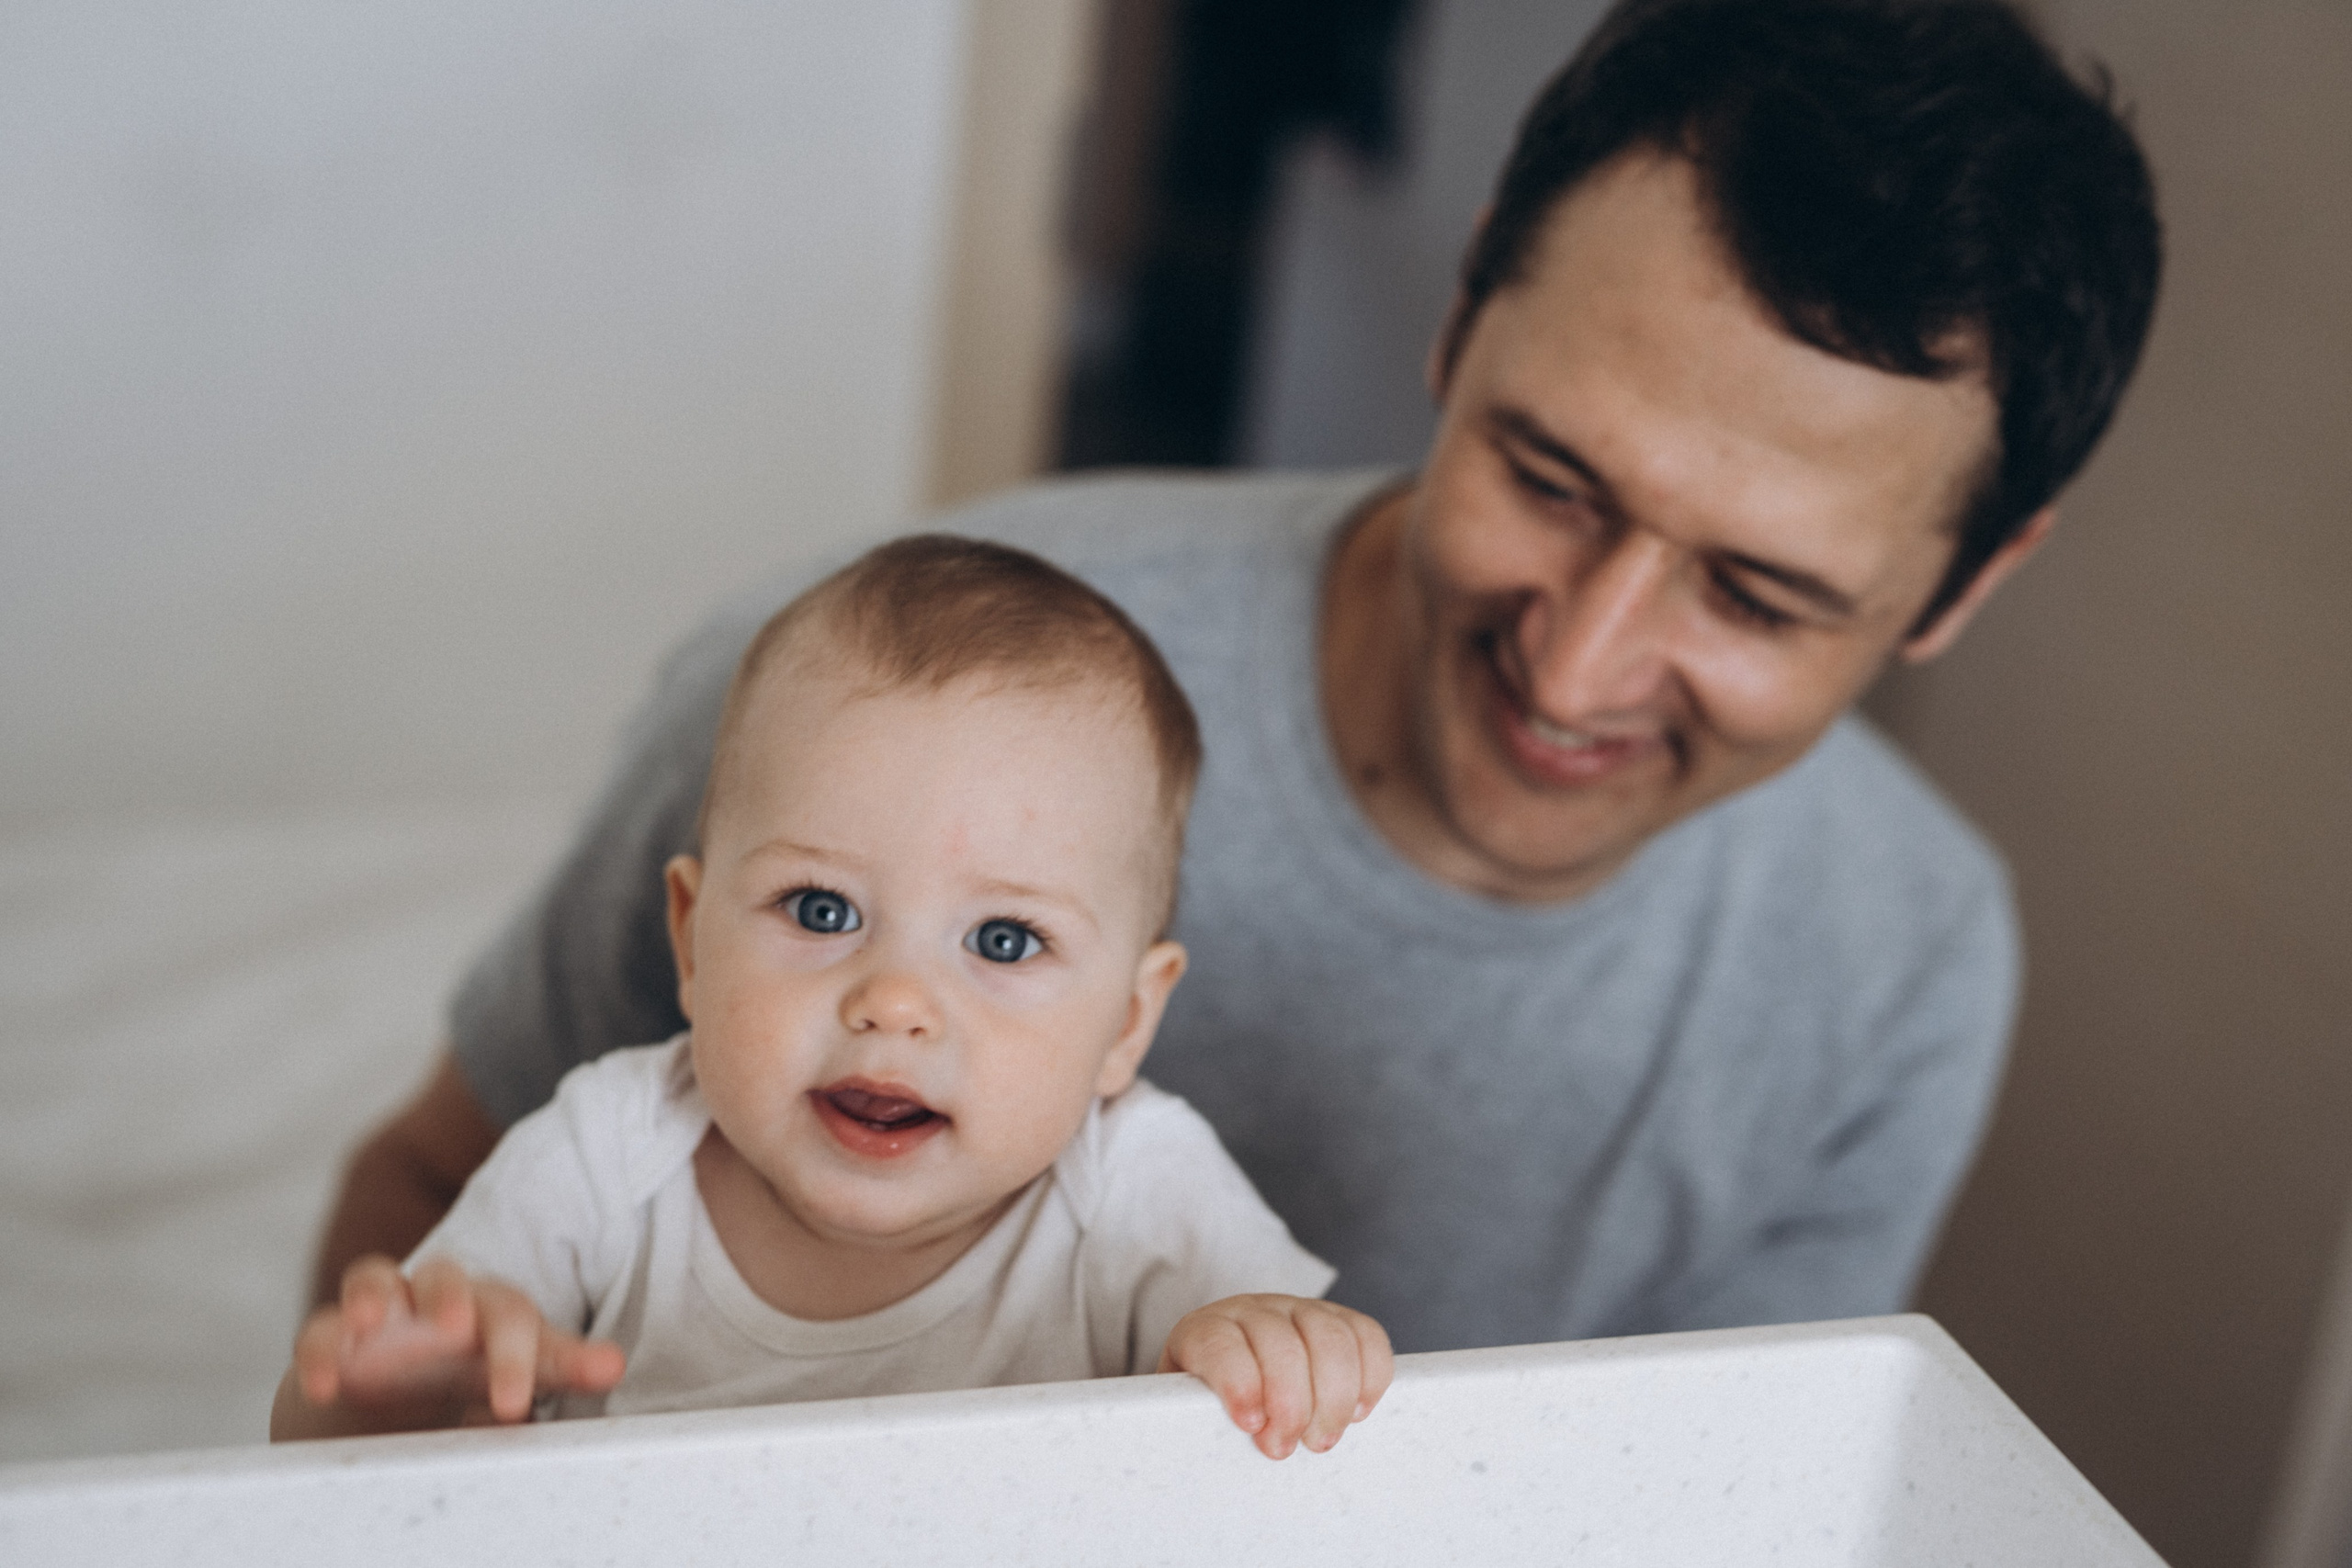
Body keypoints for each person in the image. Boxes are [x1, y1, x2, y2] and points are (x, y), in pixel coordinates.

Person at [311, 0, 2163, 1353]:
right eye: (1544, 477)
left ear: (1959, 584)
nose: (1578, 660)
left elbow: (1706, 1504)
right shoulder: (847, 708)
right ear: (1452, 323)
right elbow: (419, 1207)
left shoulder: (1900, 958)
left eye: (1754, 594)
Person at [274, 537, 1391, 1456]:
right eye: (820, 911)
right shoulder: (604, 1161)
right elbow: (323, 1465)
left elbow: (1308, 1429)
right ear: (692, 940)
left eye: (1004, 938)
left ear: (1128, 1023)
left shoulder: (1139, 1192)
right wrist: (388, 1395)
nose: (895, 1001)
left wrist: (1276, 1354)